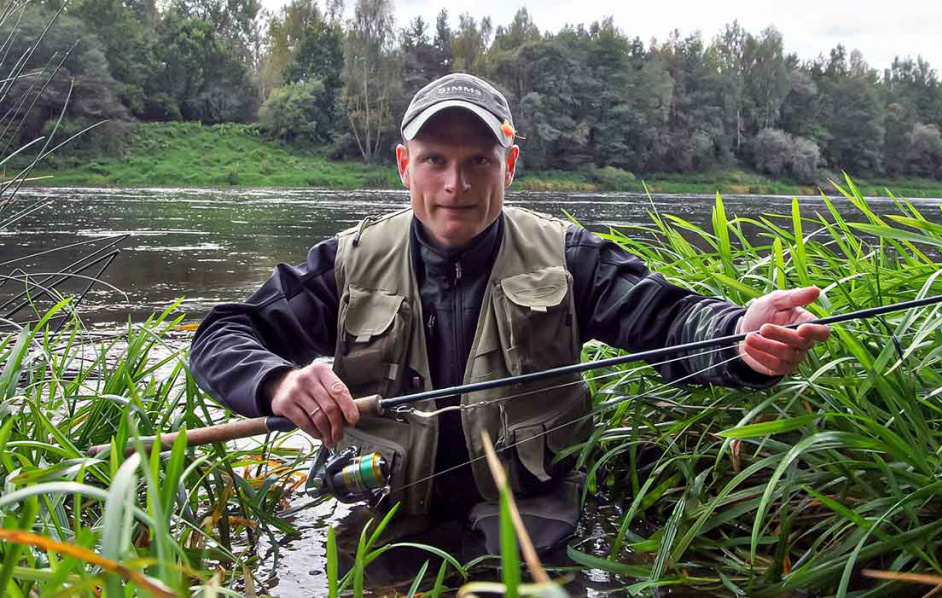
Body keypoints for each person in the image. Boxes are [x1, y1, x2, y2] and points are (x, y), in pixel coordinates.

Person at [189, 73, 830, 559]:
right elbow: (220, 335)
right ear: (404, 164)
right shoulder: (348, 262)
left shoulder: (570, 257)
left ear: (510, 164)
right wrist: (278, 383)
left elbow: (668, 322)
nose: (455, 186)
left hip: (529, 513)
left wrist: (740, 336)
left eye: (479, 162)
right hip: (383, 508)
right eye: (436, 159)